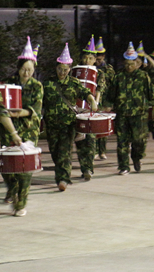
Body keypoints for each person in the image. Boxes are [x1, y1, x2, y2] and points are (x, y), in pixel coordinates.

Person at [42, 43, 98, 191]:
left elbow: (86, 93)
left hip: (68, 125)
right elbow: (39, 101)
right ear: (56, 68)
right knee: (55, 152)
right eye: (60, 69)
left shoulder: (74, 83)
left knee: (65, 152)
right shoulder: (47, 84)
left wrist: (92, 100)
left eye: (66, 70)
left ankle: (63, 179)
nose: (62, 72)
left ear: (70, 69)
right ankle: (62, 173)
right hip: (52, 125)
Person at [0, 38, 43, 216]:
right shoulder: (8, 82)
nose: (26, 73)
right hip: (8, 129)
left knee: (25, 169)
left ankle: (20, 203)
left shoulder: (37, 86)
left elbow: (36, 110)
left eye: (30, 70)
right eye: (24, 69)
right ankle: (11, 188)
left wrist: (19, 113)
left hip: (28, 130)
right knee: (7, 166)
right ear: (18, 67)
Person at [103, 42, 154, 175]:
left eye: (131, 64)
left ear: (137, 64)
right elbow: (111, 93)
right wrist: (108, 105)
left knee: (139, 140)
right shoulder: (118, 77)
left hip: (139, 113)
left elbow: (151, 93)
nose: (129, 67)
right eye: (126, 64)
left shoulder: (143, 76)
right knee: (122, 141)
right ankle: (123, 166)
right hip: (122, 113)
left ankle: (137, 157)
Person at [74, 37, 106, 181]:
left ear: (95, 60)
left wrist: (96, 104)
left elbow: (99, 90)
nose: (87, 60)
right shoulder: (75, 72)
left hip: (91, 109)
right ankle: (84, 168)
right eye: (85, 58)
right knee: (80, 141)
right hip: (77, 110)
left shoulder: (99, 74)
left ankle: (89, 168)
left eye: (90, 58)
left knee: (90, 139)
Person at [94, 36, 115, 160]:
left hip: (105, 100)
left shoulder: (108, 69)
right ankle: (95, 150)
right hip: (92, 100)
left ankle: (102, 151)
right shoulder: (89, 68)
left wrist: (111, 102)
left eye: (100, 54)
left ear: (104, 56)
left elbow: (113, 86)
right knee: (93, 126)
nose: (98, 56)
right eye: (96, 54)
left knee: (102, 127)